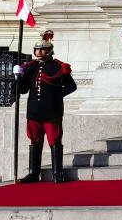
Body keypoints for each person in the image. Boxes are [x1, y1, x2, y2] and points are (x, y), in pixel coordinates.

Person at [13, 30, 77, 183]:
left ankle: (57, 172)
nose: (38, 52)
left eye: (42, 49)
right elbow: (22, 90)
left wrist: (55, 96)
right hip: (34, 111)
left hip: (51, 111)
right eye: (36, 49)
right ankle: (34, 173)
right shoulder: (30, 67)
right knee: (34, 141)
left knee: (54, 140)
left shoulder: (59, 67)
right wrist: (18, 77)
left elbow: (71, 86)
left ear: (49, 51)